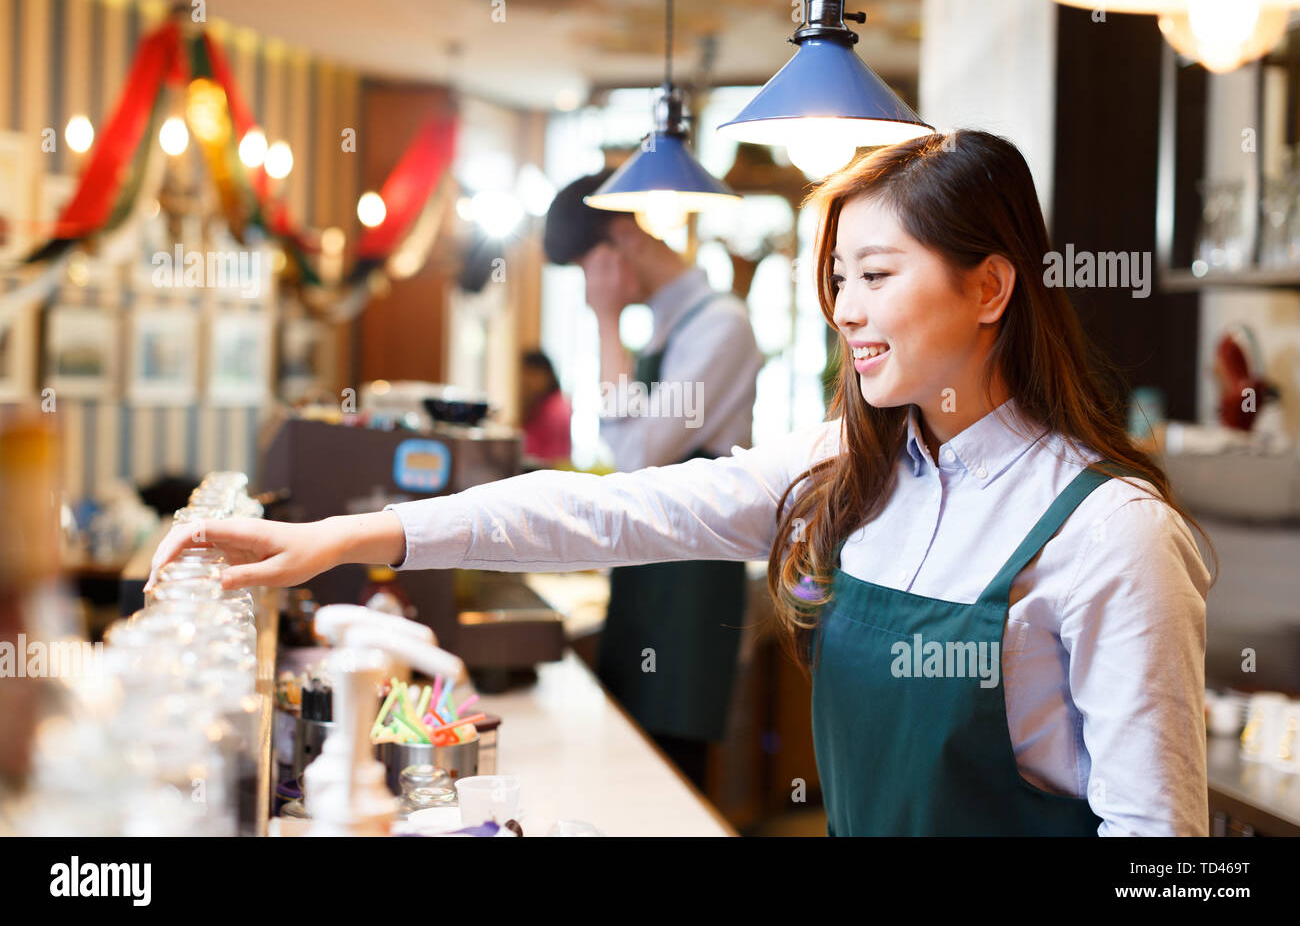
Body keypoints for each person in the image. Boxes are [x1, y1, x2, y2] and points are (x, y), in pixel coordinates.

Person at [147, 130, 1215, 835]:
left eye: (877, 276)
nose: (845, 308)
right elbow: (606, 504)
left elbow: (1161, 845)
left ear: (989, 286)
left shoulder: (1110, 532)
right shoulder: (850, 470)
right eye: (837, 277)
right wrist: (348, 535)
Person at [538, 170, 764, 789]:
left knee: (675, 770)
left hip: (693, 574)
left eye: (589, 266)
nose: (591, 287)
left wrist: (606, 322)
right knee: (631, 764)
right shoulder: (666, 325)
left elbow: (640, 455)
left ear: (619, 240)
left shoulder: (721, 324)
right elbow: (622, 442)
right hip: (648, 566)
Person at [519, 350, 572, 465]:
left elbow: (555, 456)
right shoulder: (542, 402)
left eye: (531, 374)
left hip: (548, 472)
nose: (527, 381)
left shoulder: (556, 408)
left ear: (545, 374)